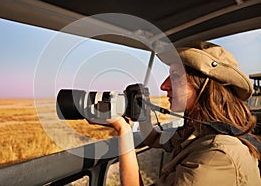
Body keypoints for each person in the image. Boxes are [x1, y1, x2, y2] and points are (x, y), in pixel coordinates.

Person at [107, 41, 261, 185]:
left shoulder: (218, 156)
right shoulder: (200, 129)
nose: (163, 85)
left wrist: (123, 130)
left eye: (175, 76)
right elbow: (155, 139)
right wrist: (142, 115)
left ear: (204, 88)